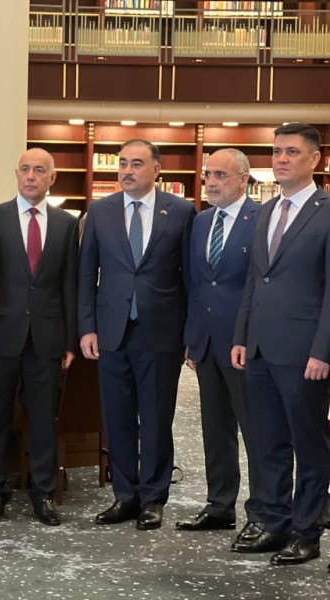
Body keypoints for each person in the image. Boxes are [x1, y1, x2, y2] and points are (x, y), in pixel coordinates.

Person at [78, 139, 195, 530]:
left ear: (156, 170)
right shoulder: (100, 211)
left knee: (157, 416)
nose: (127, 171)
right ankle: (125, 495)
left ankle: (153, 497)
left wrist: (190, 334)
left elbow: (190, 278)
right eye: (123, 163)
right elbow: (86, 274)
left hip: (161, 332)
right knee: (117, 416)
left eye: (137, 164)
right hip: (111, 330)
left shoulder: (181, 211)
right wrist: (87, 327)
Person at [231, 123, 330, 567]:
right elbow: (256, 279)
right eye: (276, 152)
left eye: (291, 151)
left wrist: (324, 350)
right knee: (267, 442)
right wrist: (241, 336)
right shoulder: (266, 210)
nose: (281, 159)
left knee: (308, 444)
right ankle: (273, 523)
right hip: (259, 349)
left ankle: (307, 532)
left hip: (305, 352)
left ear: (315, 159)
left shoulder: (326, 212)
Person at [0, 148, 78, 527]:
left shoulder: (67, 224)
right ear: (17, 174)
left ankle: (43, 494)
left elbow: (69, 284)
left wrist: (69, 341)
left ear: (52, 178)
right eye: (26, 170)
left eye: (39, 170)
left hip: (47, 338)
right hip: (0, 336)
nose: (31, 176)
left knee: (44, 419)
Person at [177, 149, 264, 542]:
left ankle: (262, 511)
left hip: (244, 345)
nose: (210, 182)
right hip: (207, 344)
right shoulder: (201, 221)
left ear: (243, 179)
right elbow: (196, 284)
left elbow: (258, 286)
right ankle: (219, 506)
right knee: (215, 429)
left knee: (257, 431)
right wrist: (192, 337)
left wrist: (248, 336)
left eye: (220, 175)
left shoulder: (261, 219)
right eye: (208, 174)